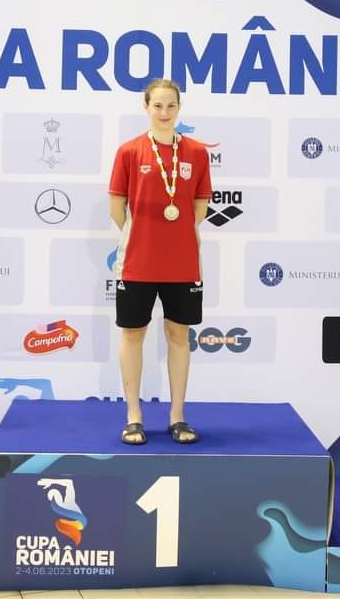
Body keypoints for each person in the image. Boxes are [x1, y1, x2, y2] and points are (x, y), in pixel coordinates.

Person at [108, 78, 212, 445]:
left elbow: (200, 207)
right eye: (158, 106)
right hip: (137, 261)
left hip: (182, 262)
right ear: (146, 107)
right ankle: (133, 416)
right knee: (133, 333)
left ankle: (177, 415)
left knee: (179, 335)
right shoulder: (129, 151)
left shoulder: (197, 153)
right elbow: (117, 208)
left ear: (179, 108)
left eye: (171, 106)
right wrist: (144, 236)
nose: (164, 112)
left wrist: (174, 234)